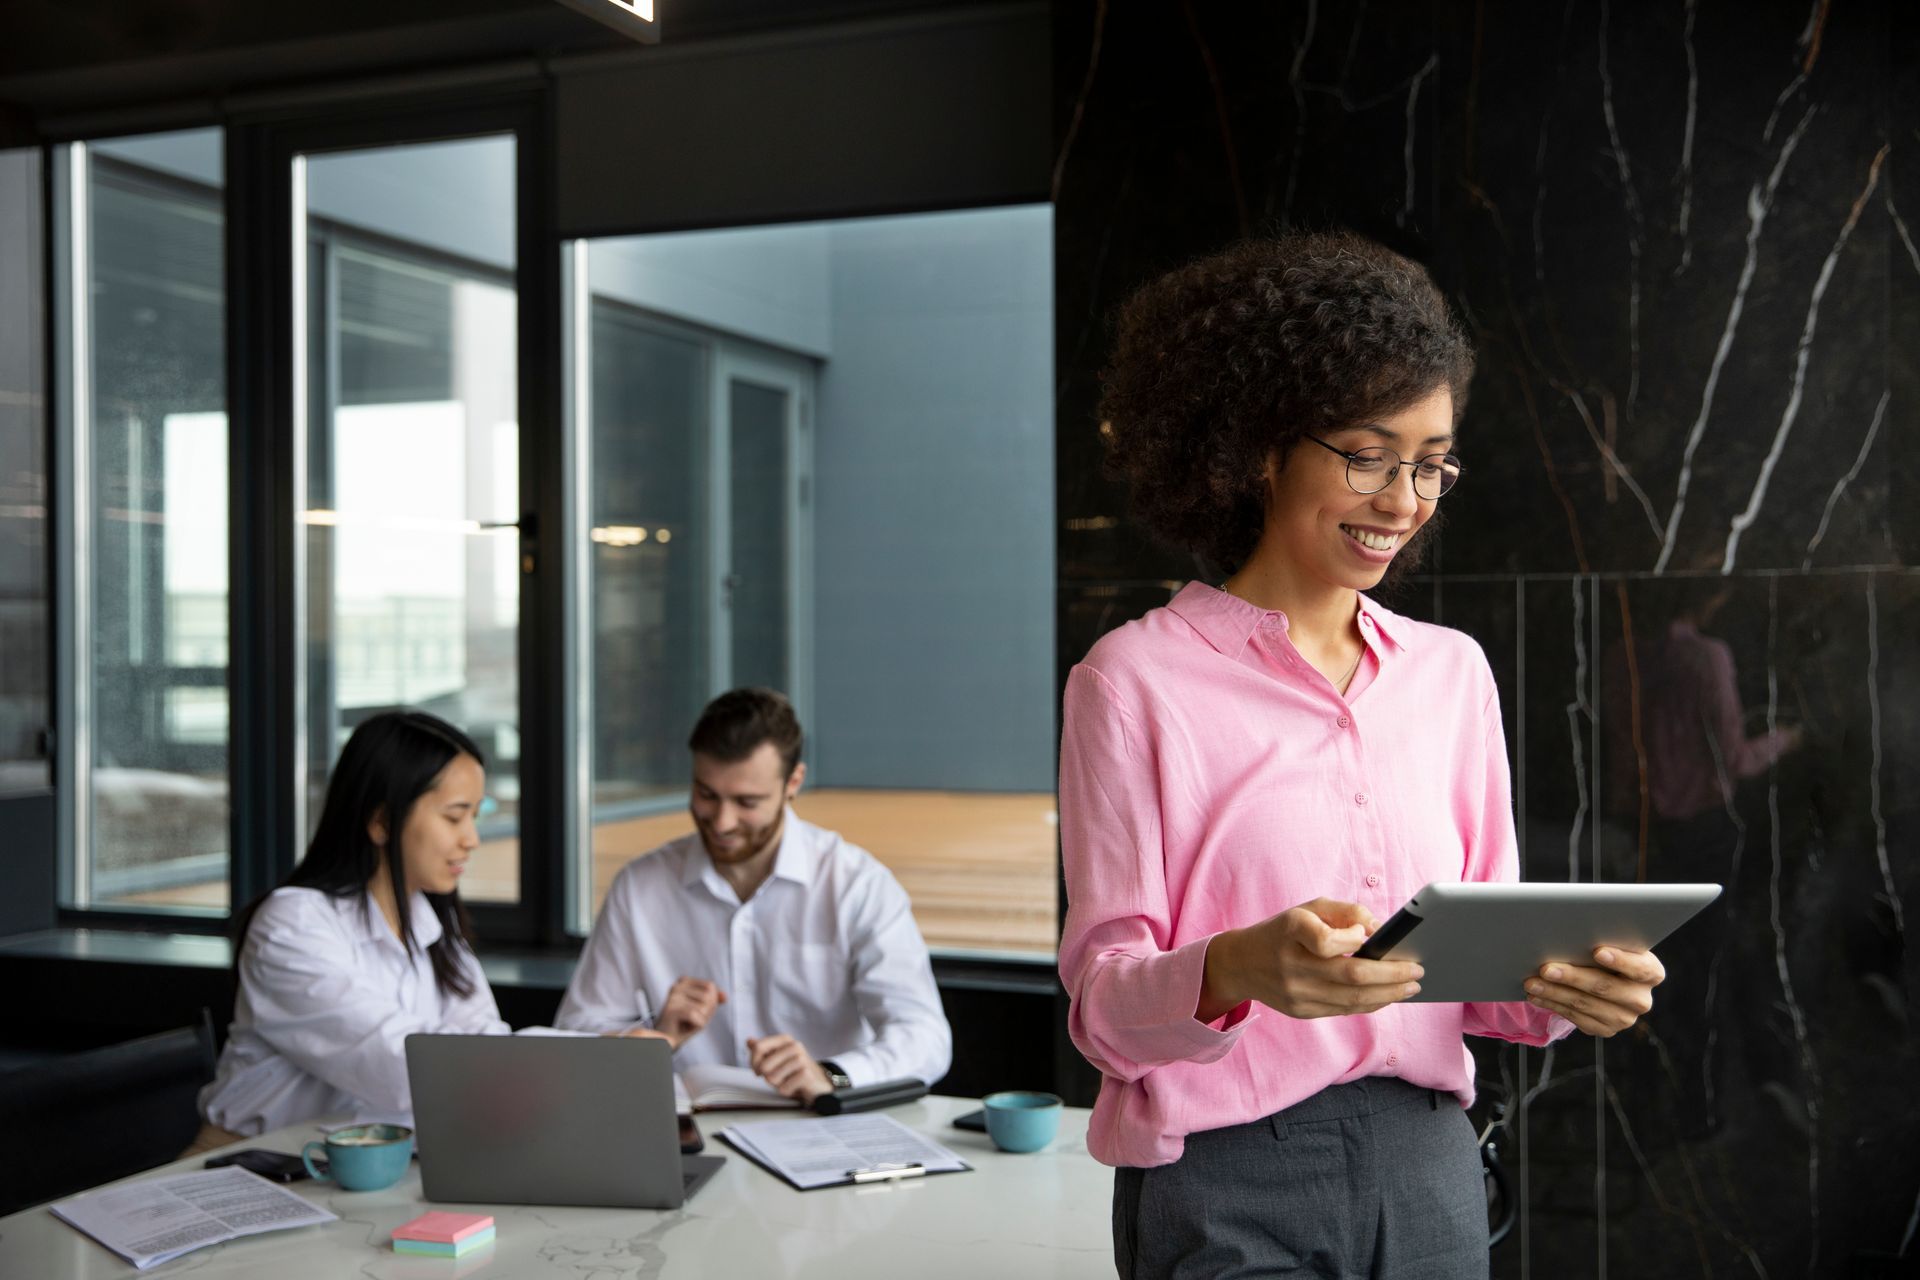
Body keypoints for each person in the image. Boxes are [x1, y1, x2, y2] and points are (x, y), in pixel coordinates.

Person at [1058, 231, 1670, 1279]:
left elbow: (1480, 970)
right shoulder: (1132, 681)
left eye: (1432, 463)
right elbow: (1104, 1010)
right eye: (1367, 454)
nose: (1404, 500)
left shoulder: (1450, 674)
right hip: (1228, 1174)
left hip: (1429, 1161)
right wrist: (1240, 966)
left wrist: (1568, 988)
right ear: (1260, 447)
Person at [193, 710, 636, 1149]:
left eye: (475, 816)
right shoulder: (292, 923)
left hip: (358, 1169)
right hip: (250, 1165)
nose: (472, 839)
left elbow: (482, 1041)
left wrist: (602, 1049)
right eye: (454, 816)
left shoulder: (431, 926)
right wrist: (583, 1057)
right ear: (382, 821)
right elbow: (402, 1064)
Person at [555, 687, 951, 1102]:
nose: (723, 822)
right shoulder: (640, 887)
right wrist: (656, 1034)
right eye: (707, 795)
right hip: (682, 1137)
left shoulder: (857, 885)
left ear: (793, 782)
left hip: (822, 1127)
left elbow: (925, 1037)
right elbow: (574, 1033)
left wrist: (831, 1075)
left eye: (747, 802)